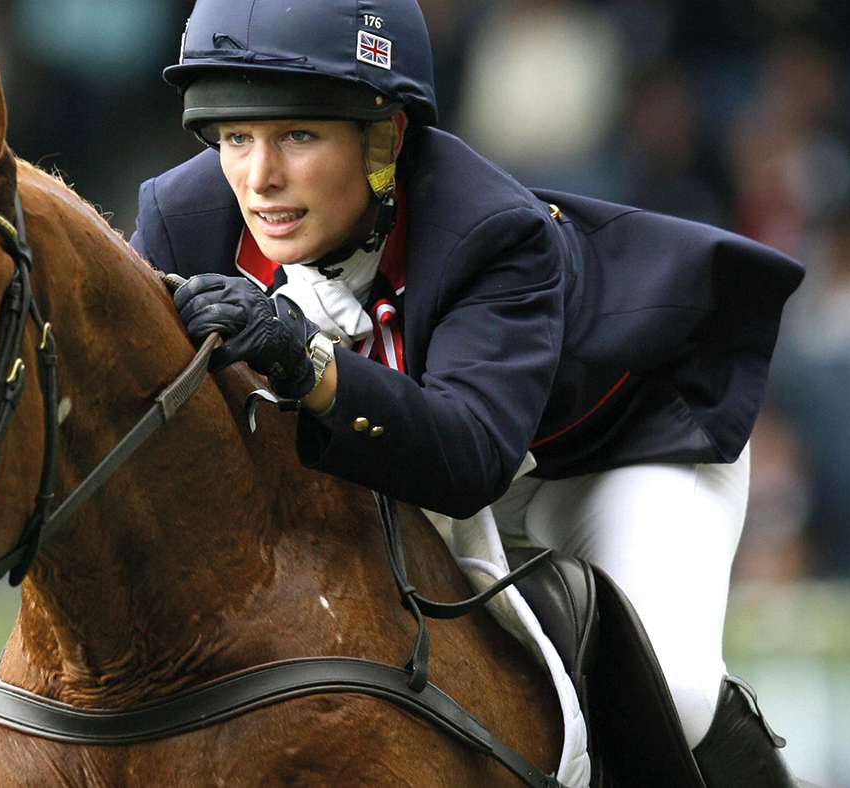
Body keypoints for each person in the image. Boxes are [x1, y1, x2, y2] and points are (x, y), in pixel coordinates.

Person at [129, 1, 806, 786]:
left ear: (386, 138)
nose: (258, 177)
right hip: (430, 466)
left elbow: (467, 459)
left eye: (299, 136)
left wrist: (300, 358)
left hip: (612, 454)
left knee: (673, 689)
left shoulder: (489, 232)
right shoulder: (181, 220)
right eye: (235, 137)